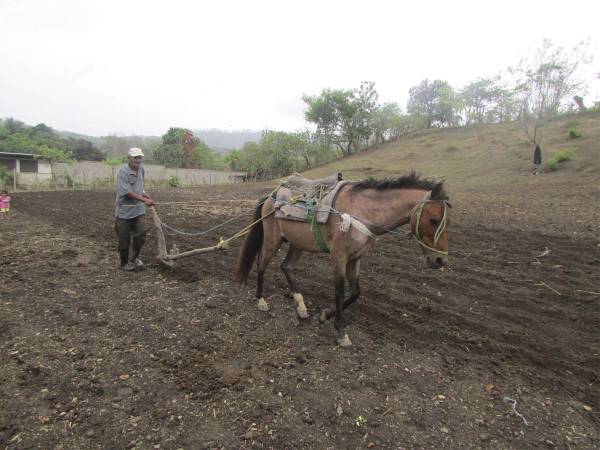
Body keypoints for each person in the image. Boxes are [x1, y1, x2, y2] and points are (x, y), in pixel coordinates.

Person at [115, 148, 154, 271]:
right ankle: (124, 263)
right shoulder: (123, 172)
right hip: (124, 211)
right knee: (124, 239)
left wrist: (144, 194)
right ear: (129, 158)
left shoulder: (141, 170)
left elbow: (139, 186)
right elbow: (127, 192)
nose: (138, 160)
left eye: (139, 157)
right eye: (135, 157)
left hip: (138, 211)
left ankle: (135, 258)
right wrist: (144, 200)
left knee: (141, 235)